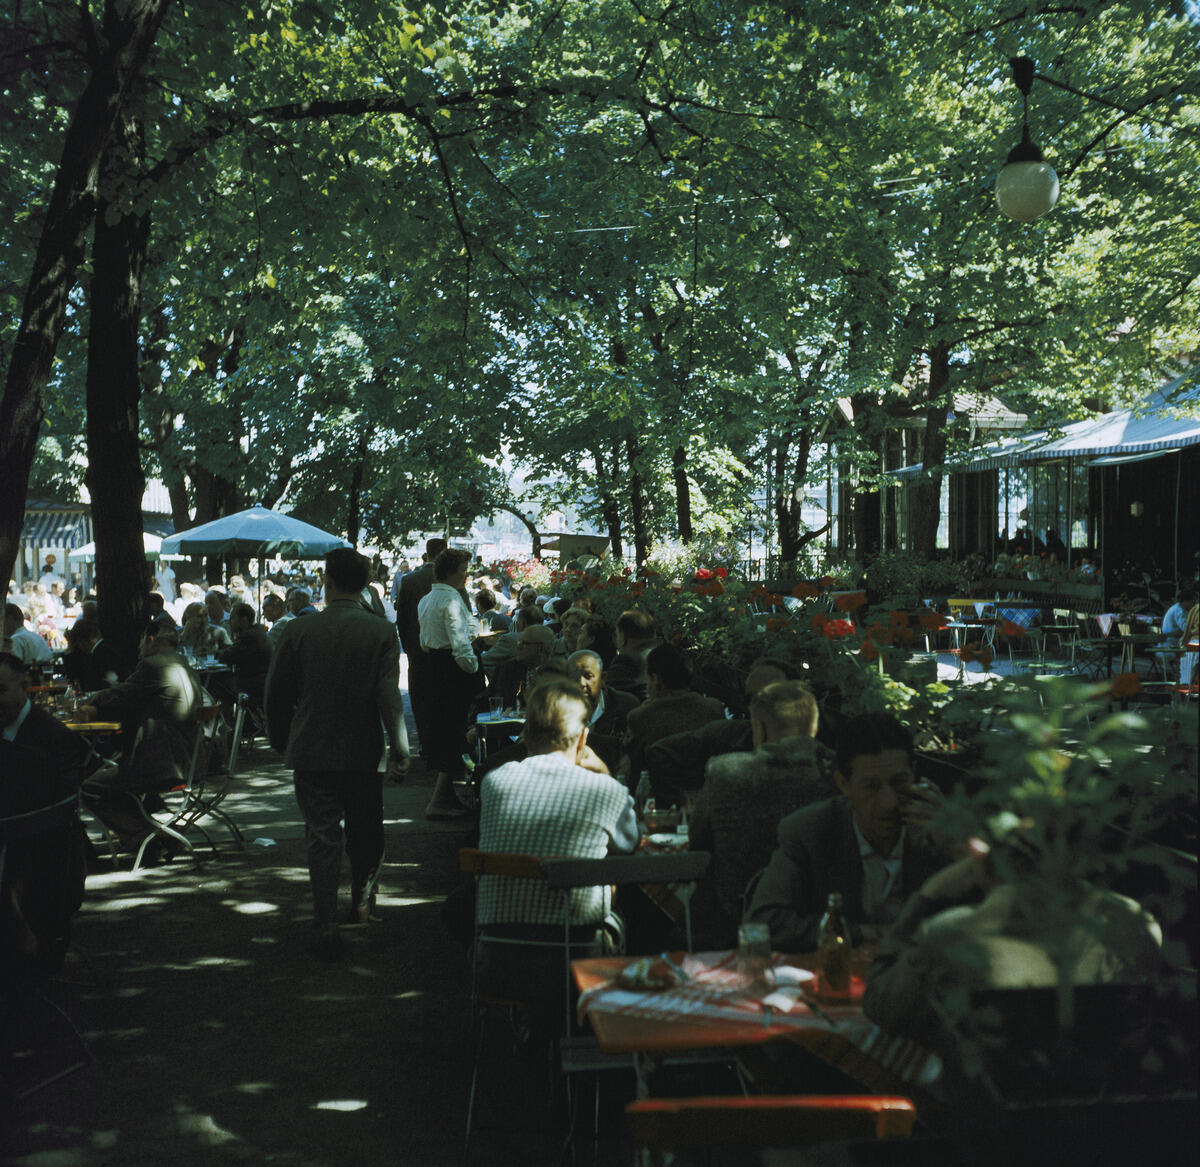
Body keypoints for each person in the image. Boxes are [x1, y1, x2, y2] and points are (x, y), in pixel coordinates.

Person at [863, 835, 1163, 1063]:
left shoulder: (955, 931)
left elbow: (885, 1009)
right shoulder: (1136, 920)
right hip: (1102, 1110)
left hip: (996, 1117)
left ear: (979, 854)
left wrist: (927, 896)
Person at [264, 548, 410, 959]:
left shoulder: (297, 630)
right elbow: (389, 698)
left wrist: (280, 740)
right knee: (367, 830)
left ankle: (325, 920)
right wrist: (401, 748)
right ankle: (362, 903)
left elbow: (275, 695)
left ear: (326, 581)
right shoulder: (381, 632)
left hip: (311, 747)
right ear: (365, 584)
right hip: (363, 749)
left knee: (322, 835)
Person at [475, 679, 638, 1005]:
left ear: (525, 733)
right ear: (583, 738)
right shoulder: (604, 790)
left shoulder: (494, 782)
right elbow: (629, 843)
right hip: (577, 955)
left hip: (494, 955)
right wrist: (605, 774)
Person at [745, 711, 949, 951]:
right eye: (871, 787)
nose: (888, 802)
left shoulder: (938, 830)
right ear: (844, 784)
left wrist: (954, 848)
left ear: (914, 774)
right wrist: (860, 933)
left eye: (899, 782)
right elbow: (763, 924)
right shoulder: (809, 832)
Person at [688, 680, 837, 946]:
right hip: (819, 925)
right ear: (814, 727)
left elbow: (698, 841)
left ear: (759, 729)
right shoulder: (839, 774)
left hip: (733, 925)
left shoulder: (725, 771)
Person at [76, 624, 203, 856]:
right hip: (193, 760)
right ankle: (154, 835)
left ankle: (147, 837)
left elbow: (122, 693)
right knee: (111, 782)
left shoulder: (154, 665)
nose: (139, 650)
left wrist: (90, 703)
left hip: (164, 765)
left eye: (141, 643)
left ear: (151, 640)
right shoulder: (183, 662)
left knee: (91, 787)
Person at [645, 660, 788, 805]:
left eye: (770, 696)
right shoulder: (728, 735)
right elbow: (661, 752)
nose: (757, 706)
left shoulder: (806, 750)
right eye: (750, 699)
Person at [416, 547, 481, 819]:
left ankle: (445, 796)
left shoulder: (428, 599)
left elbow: (423, 641)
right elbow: (460, 644)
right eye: (464, 571)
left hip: (435, 668)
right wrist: (474, 666)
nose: (466, 576)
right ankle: (441, 800)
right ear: (452, 573)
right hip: (454, 672)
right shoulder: (451, 601)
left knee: (445, 730)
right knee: (455, 730)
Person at [622, 643, 726, 779]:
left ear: (656, 679)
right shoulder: (714, 708)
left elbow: (632, 767)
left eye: (648, 679)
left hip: (660, 793)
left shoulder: (640, 717)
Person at [395, 537, 448, 765]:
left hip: (417, 647)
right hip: (444, 648)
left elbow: (402, 619)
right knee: (441, 696)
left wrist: (408, 647)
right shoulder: (449, 579)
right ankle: (439, 745)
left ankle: (426, 745)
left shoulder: (409, 580)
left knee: (420, 697)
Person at [568, 648, 639, 738]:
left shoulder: (625, 705)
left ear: (603, 678)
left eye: (588, 676)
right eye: (574, 676)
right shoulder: (557, 709)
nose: (581, 683)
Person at [216, 601, 273, 709]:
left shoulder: (249, 636)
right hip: (262, 681)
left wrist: (217, 651)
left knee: (217, 684)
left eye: (233, 618)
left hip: (254, 684)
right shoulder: (256, 632)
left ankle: (229, 722)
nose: (229, 622)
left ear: (244, 620)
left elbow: (226, 657)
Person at [605, 609, 659, 700]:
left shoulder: (627, 661)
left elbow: (607, 697)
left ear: (622, 637)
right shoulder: (668, 654)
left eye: (617, 635)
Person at [1157, 587, 1194, 681]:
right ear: (1185, 601)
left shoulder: (1176, 608)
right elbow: (1187, 629)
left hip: (1169, 644)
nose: (1192, 605)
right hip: (1170, 646)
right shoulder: (1179, 611)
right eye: (1191, 602)